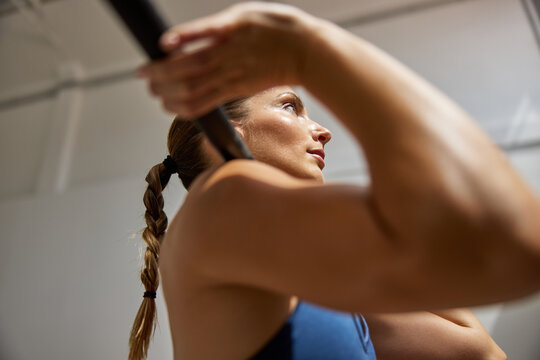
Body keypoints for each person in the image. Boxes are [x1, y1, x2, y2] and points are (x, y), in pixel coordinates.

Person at [129, 2, 540, 359]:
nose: (323, 130)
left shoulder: (300, 273)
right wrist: (308, 49)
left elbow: (479, 352)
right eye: (290, 106)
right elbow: (514, 243)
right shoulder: (222, 203)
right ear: (229, 134)